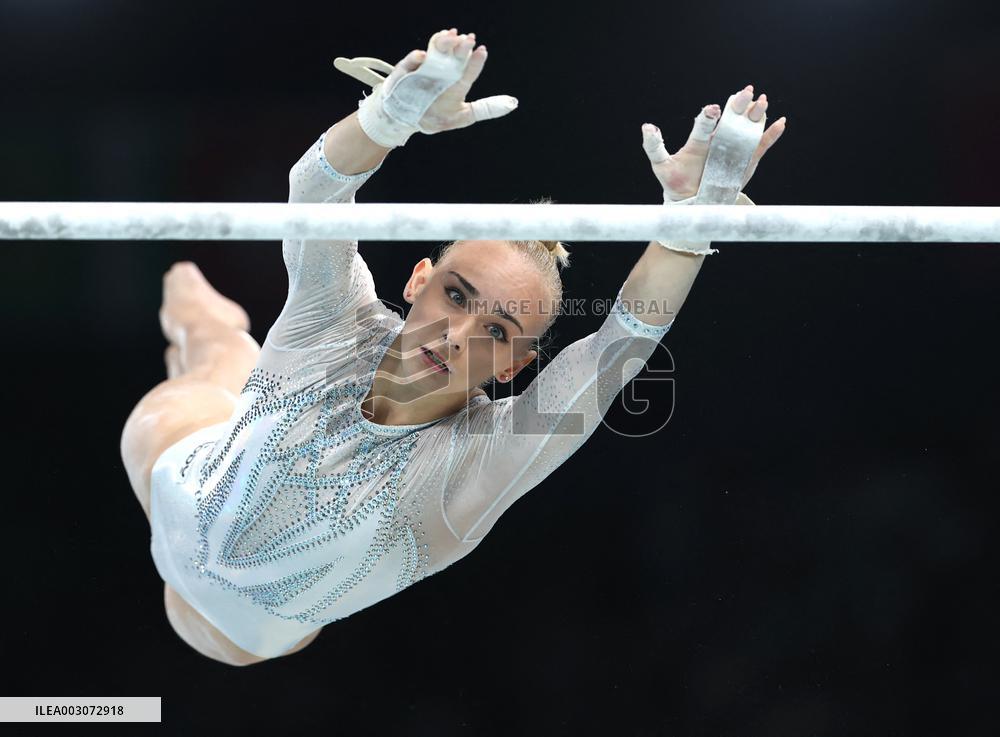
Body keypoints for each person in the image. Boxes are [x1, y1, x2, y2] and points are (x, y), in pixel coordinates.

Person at [120, 27, 786, 666]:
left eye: (497, 331)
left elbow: (619, 347)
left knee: (226, 363)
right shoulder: (337, 317)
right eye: (458, 295)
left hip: (234, 634)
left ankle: (222, 346)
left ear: (516, 366)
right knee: (208, 338)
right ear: (417, 281)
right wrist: (388, 117)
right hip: (176, 470)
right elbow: (318, 190)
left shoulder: (479, 462)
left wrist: (687, 227)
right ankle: (196, 301)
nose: (460, 333)